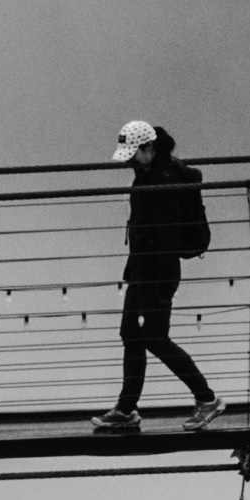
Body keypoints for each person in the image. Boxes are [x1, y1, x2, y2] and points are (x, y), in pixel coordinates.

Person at [98, 117, 220, 433]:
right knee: (131, 333)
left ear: (149, 148)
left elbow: (164, 237)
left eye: (134, 155)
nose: (129, 164)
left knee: (153, 337)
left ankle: (207, 399)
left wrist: (155, 284)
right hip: (144, 269)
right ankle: (126, 408)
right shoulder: (151, 174)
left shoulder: (162, 182)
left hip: (157, 273)